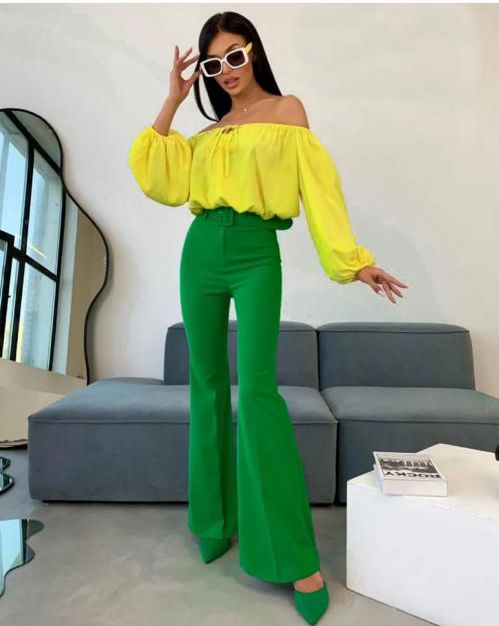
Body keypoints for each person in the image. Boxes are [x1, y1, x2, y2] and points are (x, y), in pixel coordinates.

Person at [128, 12, 408, 625]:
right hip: (201, 250)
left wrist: (354, 261)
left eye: (234, 55)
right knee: (205, 385)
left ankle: (294, 558)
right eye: (213, 63)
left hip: (257, 253)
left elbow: (319, 190)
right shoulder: (208, 134)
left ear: (253, 52)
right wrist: (173, 99)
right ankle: (212, 521)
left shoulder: (288, 111)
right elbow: (158, 177)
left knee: (257, 393)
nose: (225, 70)